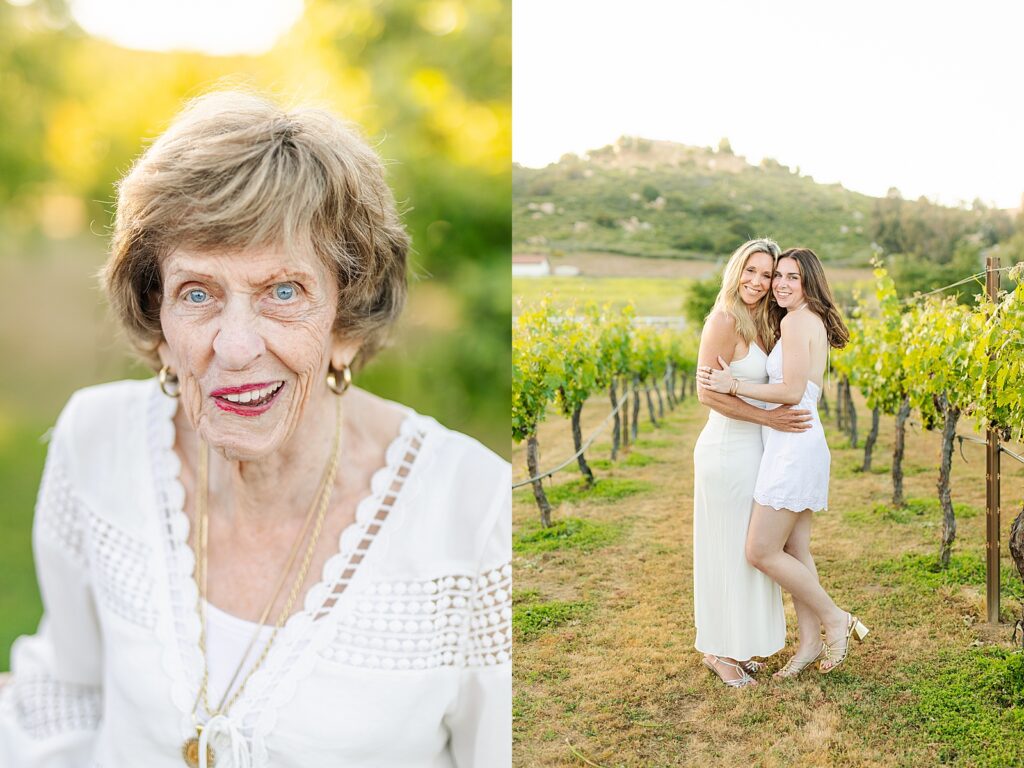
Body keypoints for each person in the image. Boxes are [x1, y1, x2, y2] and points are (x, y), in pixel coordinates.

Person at [0, 90, 511, 767]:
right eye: (198, 293)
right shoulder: (97, 441)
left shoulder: (475, 512)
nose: (236, 346)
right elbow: (64, 692)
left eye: (283, 291)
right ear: (158, 319)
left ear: (346, 321)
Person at [698, 247, 869, 678]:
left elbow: (792, 391)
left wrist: (735, 385)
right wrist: (749, 401)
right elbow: (708, 392)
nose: (772, 283)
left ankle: (834, 619)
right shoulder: (772, 320)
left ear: (808, 282)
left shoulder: (791, 321)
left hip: (788, 443)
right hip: (778, 442)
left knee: (759, 550)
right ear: (736, 270)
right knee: (789, 547)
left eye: (784, 275)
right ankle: (807, 642)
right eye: (773, 275)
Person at [692, 238, 813, 688]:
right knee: (723, 549)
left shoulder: (765, 320)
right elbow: (706, 393)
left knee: (749, 553)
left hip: (757, 452)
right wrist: (769, 417)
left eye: (767, 275)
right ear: (736, 269)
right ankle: (717, 652)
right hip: (725, 451)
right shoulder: (723, 320)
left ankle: (737, 644)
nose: (759, 282)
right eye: (752, 271)